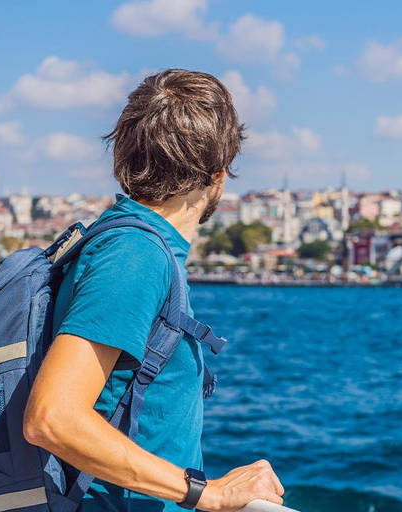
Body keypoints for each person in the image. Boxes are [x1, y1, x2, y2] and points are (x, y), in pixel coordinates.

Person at [23, 69, 285, 511]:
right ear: (218, 176)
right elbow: (52, 417)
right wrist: (209, 493)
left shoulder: (126, 241)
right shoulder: (136, 255)